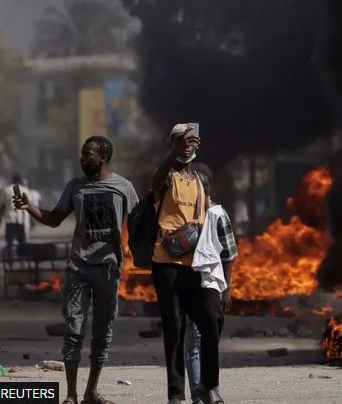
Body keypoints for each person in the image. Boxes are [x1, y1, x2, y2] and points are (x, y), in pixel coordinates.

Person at [13, 136, 139, 404]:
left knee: (102, 333)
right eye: (82, 154)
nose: (82, 159)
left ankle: (91, 392)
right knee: (74, 330)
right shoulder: (75, 186)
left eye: (88, 154)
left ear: (103, 156)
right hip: (78, 267)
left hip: (107, 269)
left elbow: (139, 225)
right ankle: (70, 394)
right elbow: (54, 219)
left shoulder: (124, 188)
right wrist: (29, 207)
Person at [151, 124, 224, 404]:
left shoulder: (202, 178)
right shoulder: (167, 176)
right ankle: (175, 395)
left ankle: (209, 385)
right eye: (183, 142)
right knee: (175, 329)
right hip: (167, 263)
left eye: (192, 142)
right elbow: (154, 184)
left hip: (198, 263)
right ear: (173, 144)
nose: (188, 146)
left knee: (212, 320)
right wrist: (174, 154)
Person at [183, 162, 236, 404]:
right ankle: (199, 393)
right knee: (192, 341)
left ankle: (209, 385)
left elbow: (228, 254)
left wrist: (226, 289)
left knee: (209, 335)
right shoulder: (179, 214)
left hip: (210, 283)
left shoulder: (217, 214)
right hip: (185, 282)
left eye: (201, 187)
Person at [1, 174, 36, 249]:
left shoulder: (7, 190)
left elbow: (2, 205)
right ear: (20, 181)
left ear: (12, 181)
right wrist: (32, 219)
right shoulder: (25, 190)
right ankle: (20, 257)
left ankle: (10, 257)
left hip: (10, 218)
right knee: (21, 241)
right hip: (21, 219)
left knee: (9, 240)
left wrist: (0, 216)